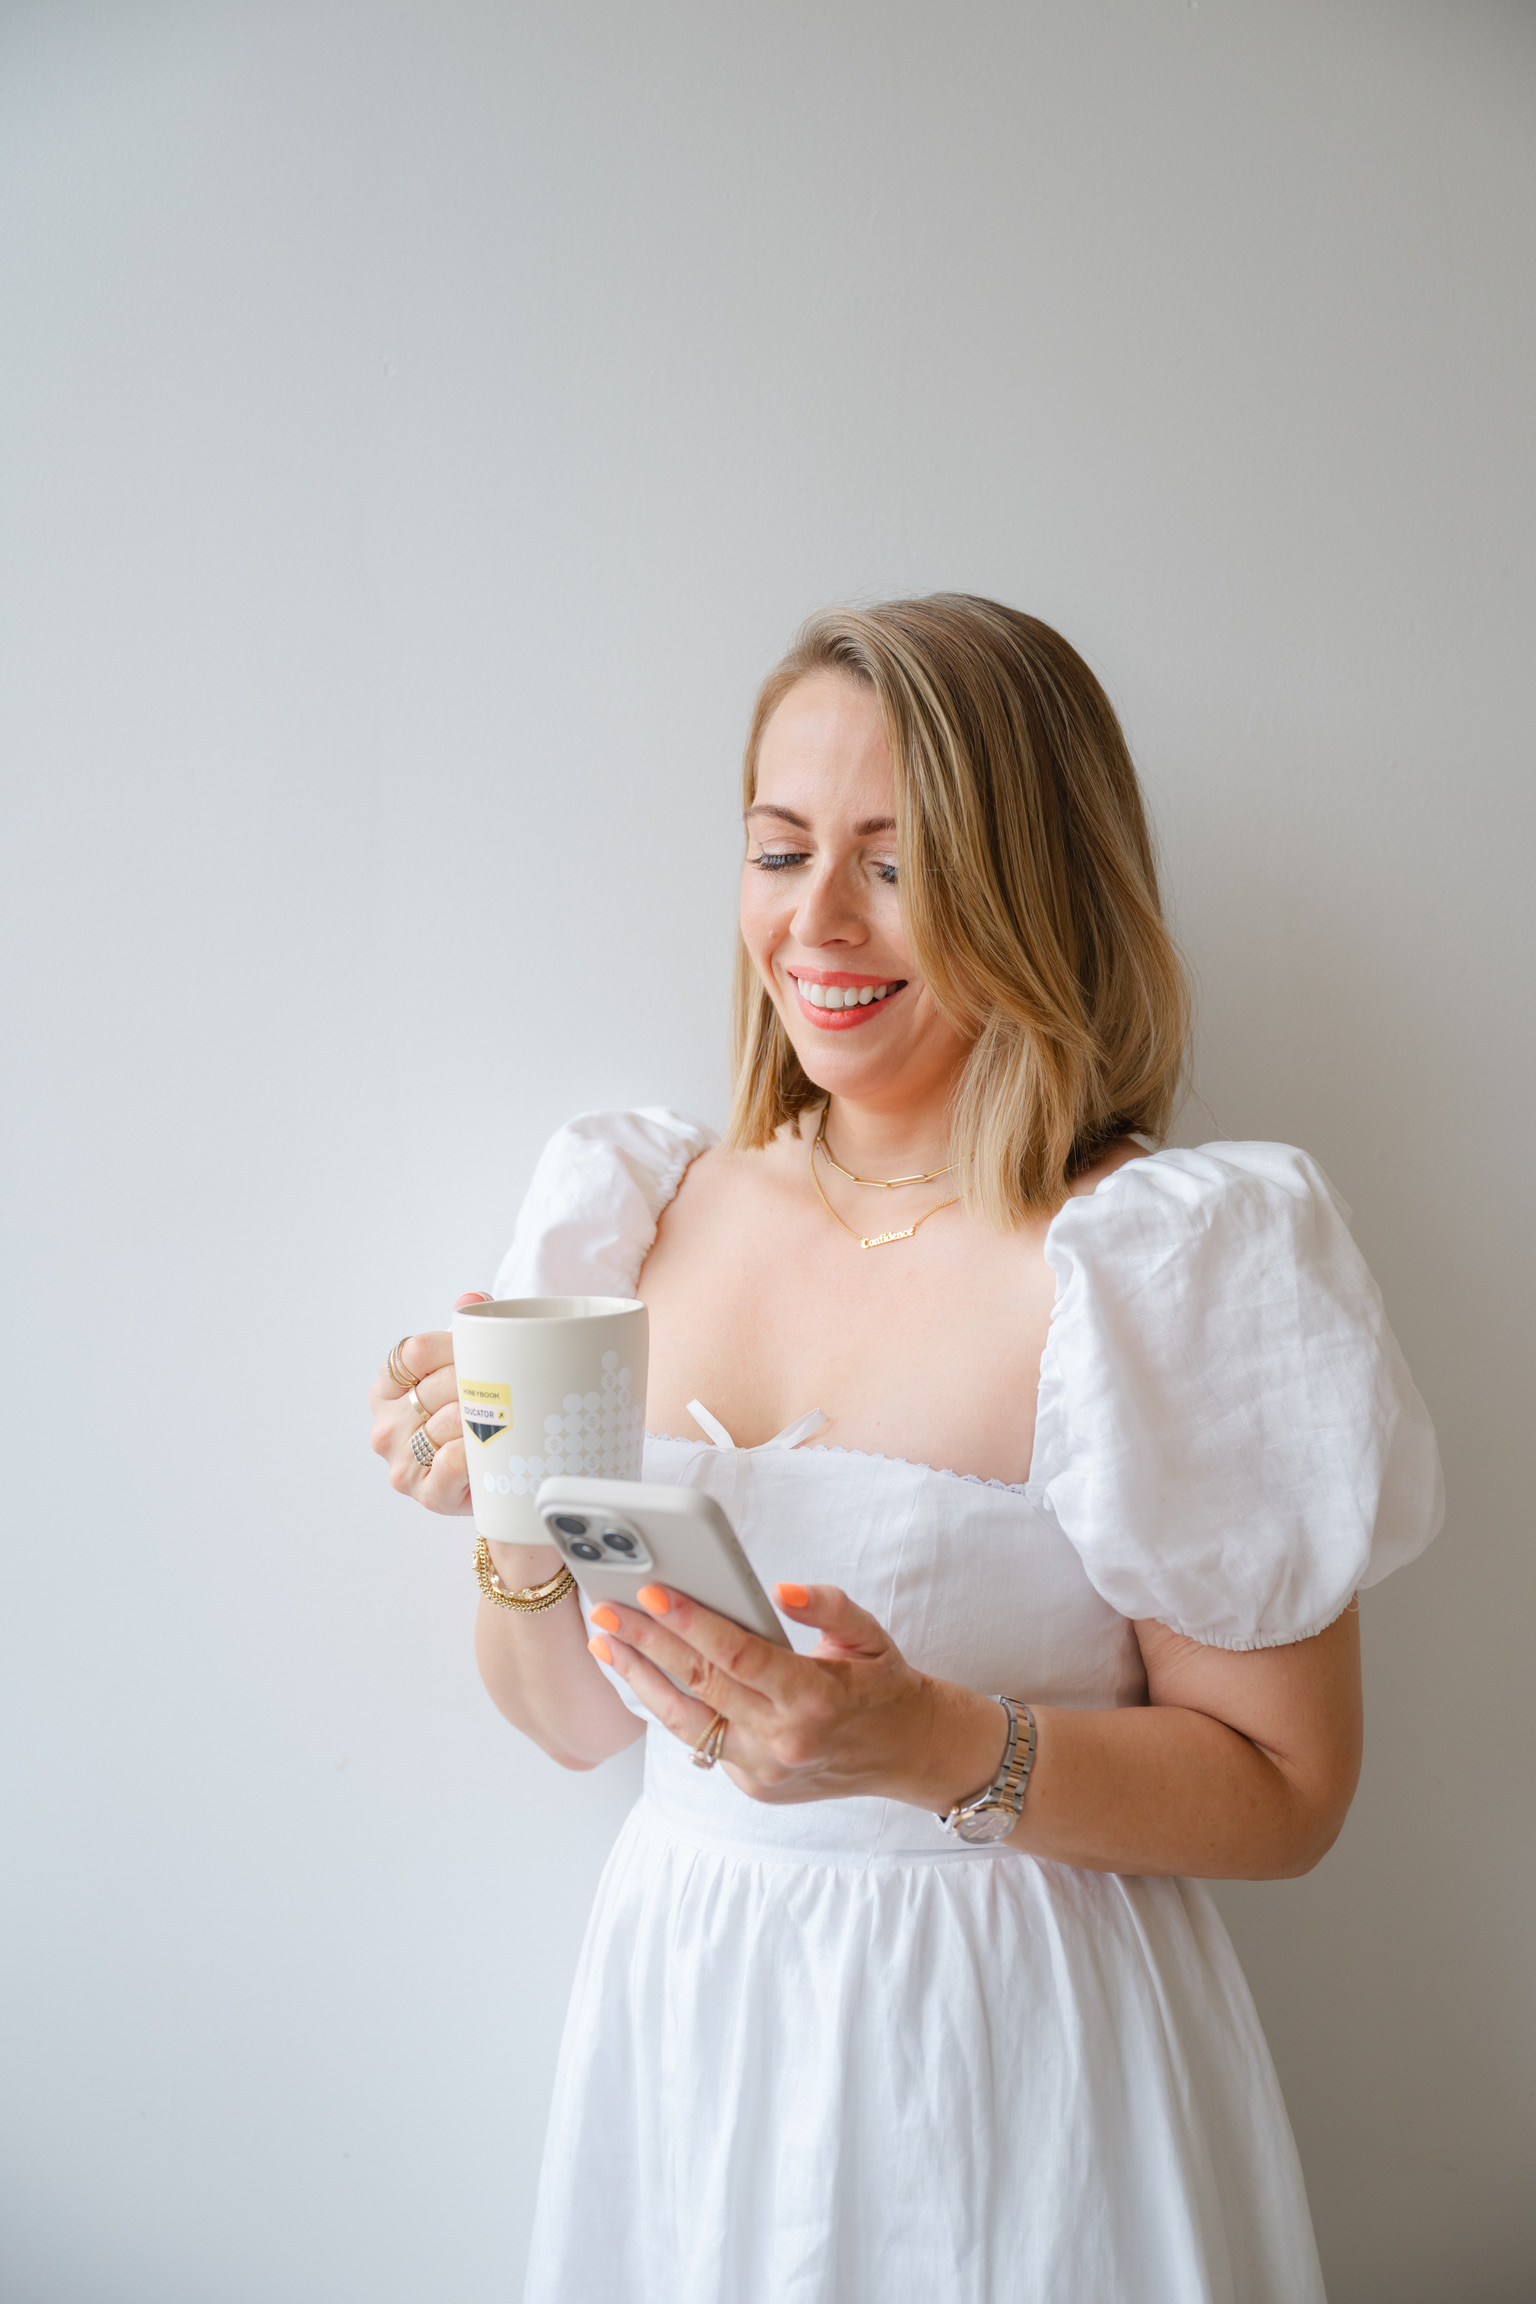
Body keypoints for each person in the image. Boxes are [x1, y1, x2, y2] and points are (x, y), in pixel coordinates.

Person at [368, 595, 1442, 2304]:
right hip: (694, 2022)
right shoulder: (637, 1213)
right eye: (781, 849)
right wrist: (505, 1507)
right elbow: (572, 1717)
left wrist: (931, 1741)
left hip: (1019, 2061)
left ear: (1033, 879)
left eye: (897, 859)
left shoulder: (1168, 1260)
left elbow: (1291, 1792)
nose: (816, 922)